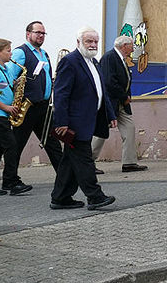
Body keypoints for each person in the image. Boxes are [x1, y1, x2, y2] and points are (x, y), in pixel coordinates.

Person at [49, 27, 118, 210]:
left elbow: (101, 92)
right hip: (74, 122)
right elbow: (61, 94)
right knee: (84, 159)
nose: (93, 44)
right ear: (78, 42)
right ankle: (95, 196)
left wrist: (110, 114)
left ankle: (60, 197)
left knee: (70, 161)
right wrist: (61, 121)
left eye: (95, 41)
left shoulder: (94, 62)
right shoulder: (69, 62)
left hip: (90, 120)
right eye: (89, 41)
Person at [8, 21, 64, 172]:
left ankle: (64, 175)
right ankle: (10, 179)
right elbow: (10, 77)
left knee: (52, 142)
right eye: (37, 32)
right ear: (28, 34)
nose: (41, 36)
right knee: (18, 144)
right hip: (27, 106)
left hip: (43, 106)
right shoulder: (21, 52)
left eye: (43, 33)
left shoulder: (43, 53)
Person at [0, 38, 33, 196]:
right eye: (8, 50)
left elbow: (8, 86)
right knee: (11, 145)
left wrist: (17, 84)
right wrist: (6, 107)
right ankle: (10, 182)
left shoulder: (6, 68)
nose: (11, 53)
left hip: (3, 113)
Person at [92, 35, 148, 173]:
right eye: (131, 45)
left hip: (121, 102)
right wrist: (123, 96)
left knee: (129, 128)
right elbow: (109, 81)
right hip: (111, 102)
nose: (133, 48)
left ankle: (129, 162)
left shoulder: (122, 59)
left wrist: (125, 97)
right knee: (101, 131)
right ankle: (86, 161)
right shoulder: (109, 57)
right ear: (124, 46)